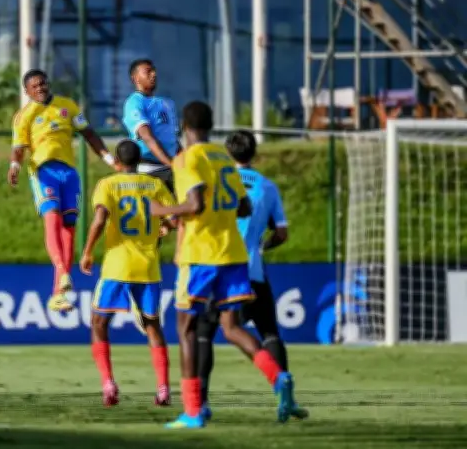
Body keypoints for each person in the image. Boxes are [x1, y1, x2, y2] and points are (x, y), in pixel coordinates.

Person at [152, 101, 300, 429]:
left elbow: (195, 202)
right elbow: (244, 207)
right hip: (233, 254)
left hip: (201, 256)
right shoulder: (222, 158)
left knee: (187, 330)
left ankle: (193, 411)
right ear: (211, 125)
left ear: (183, 128)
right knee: (232, 328)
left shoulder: (187, 158)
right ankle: (278, 378)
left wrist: (160, 211)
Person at [195, 130, 308, 421]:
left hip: (221, 267)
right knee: (269, 332)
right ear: (254, 154)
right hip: (254, 269)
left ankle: (200, 402)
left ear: (227, 153)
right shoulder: (267, 187)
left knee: (204, 334)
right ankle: (287, 396)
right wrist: (261, 245)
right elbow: (281, 233)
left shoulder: (218, 181)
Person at [8, 69, 118, 312]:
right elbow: (18, 147)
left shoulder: (67, 106)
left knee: (69, 226)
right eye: (34, 86)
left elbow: (89, 133)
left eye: (43, 83)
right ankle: (61, 270)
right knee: (52, 220)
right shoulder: (24, 116)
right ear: (26, 91)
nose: (40, 88)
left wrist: (110, 160)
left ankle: (59, 292)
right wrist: (15, 165)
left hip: (69, 173)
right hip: (43, 171)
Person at [79, 140, 176, 407]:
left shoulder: (108, 185)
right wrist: (165, 227)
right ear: (139, 161)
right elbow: (175, 219)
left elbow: (100, 219)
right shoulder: (155, 185)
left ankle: (109, 384)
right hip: (148, 266)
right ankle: (163, 389)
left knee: (99, 323)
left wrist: (87, 251)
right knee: (152, 325)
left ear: (118, 162)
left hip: (117, 265)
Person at [121, 59, 180, 192]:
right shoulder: (134, 102)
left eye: (154, 71)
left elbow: (174, 140)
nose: (153, 74)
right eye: (148, 72)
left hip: (171, 168)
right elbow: (147, 137)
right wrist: (171, 164)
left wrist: (183, 162)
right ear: (135, 78)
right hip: (151, 171)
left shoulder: (167, 103)